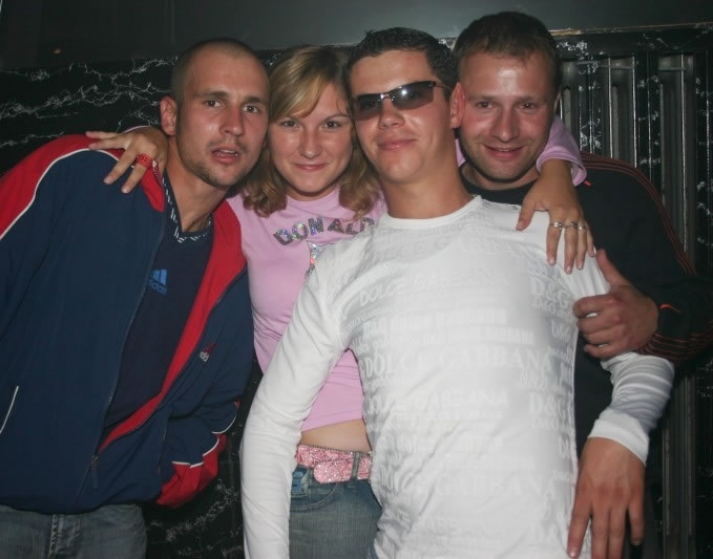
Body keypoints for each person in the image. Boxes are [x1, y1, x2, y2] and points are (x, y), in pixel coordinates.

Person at [90, 44, 593, 558]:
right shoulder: (240, 209)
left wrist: (557, 170)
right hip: (326, 481)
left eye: (331, 124)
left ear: (357, 128)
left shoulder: (392, 185)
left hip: (427, 476)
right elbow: (187, 165)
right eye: (290, 123)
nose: (310, 146)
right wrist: (157, 137)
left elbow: (506, 131)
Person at [240, 27, 675, 559]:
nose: (389, 116)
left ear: (455, 106)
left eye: (410, 95)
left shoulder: (546, 232)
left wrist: (621, 432)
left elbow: (642, 359)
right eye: (369, 104)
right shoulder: (340, 268)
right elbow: (270, 427)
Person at [0, 38, 267, 558]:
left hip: (113, 521)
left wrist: (165, 474)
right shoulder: (78, 175)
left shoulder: (234, 255)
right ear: (170, 116)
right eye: (213, 101)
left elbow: (217, 401)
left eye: (252, 108)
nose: (234, 125)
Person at [451, 12, 713, 559]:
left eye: (528, 105)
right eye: (485, 104)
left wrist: (653, 318)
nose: (505, 130)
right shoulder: (421, 198)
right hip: (457, 507)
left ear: (556, 106)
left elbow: (700, 305)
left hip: (598, 502)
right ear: (456, 102)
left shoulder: (614, 190)